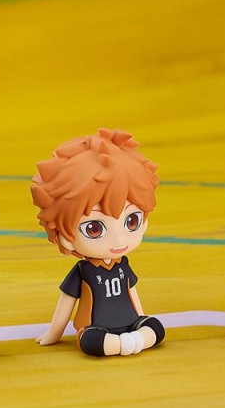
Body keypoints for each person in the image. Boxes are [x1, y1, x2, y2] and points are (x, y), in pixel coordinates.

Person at [31, 128, 165, 357]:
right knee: (92, 341)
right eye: (94, 228)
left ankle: (133, 338)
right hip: (97, 328)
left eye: (132, 221)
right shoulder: (84, 271)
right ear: (65, 236)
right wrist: (54, 333)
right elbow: (67, 303)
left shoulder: (123, 264)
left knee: (155, 328)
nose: (119, 240)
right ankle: (123, 343)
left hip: (130, 322)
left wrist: (140, 319)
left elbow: (132, 292)